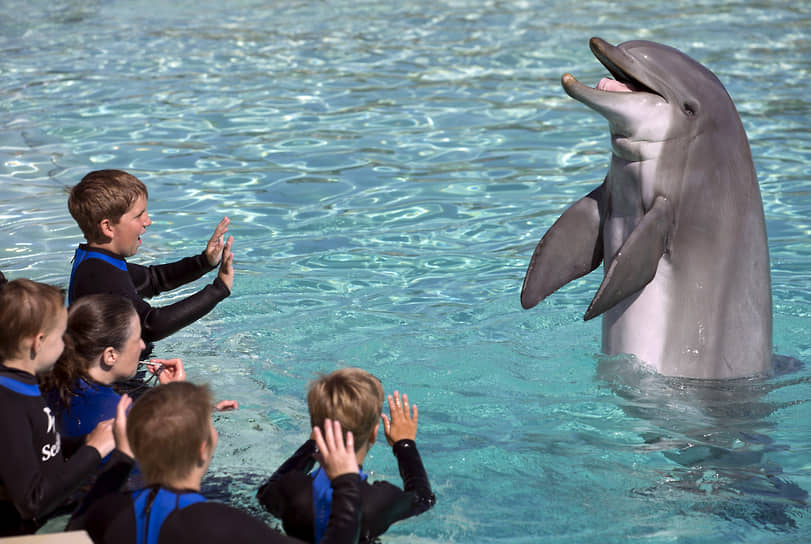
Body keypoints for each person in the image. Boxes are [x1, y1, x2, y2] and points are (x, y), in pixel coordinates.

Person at [72, 382, 363, 544]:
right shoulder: (224, 526)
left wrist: (123, 458)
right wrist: (345, 481)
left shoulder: (107, 512)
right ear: (202, 450)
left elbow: (77, 526)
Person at [0, 278, 130, 536]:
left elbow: (36, 444)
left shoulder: (22, 385)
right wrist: (93, 450)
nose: (66, 345)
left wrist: (86, 440)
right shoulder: (7, 404)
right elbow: (31, 502)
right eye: (61, 336)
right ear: (38, 342)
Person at [257, 367, 435, 543]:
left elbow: (265, 492)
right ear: (374, 433)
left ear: (317, 430)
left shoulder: (291, 490)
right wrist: (404, 444)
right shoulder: (378, 501)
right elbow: (423, 498)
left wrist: (313, 445)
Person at [67, 169, 234, 352]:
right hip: (116, 381)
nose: (148, 221)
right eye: (139, 215)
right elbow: (150, 325)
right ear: (108, 227)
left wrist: (205, 262)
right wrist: (219, 290)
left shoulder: (98, 262)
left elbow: (154, 279)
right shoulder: (98, 274)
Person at [39, 294, 187, 440]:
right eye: (136, 340)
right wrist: (176, 397)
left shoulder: (46, 385)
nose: (143, 345)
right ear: (110, 356)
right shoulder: (122, 419)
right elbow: (179, 457)